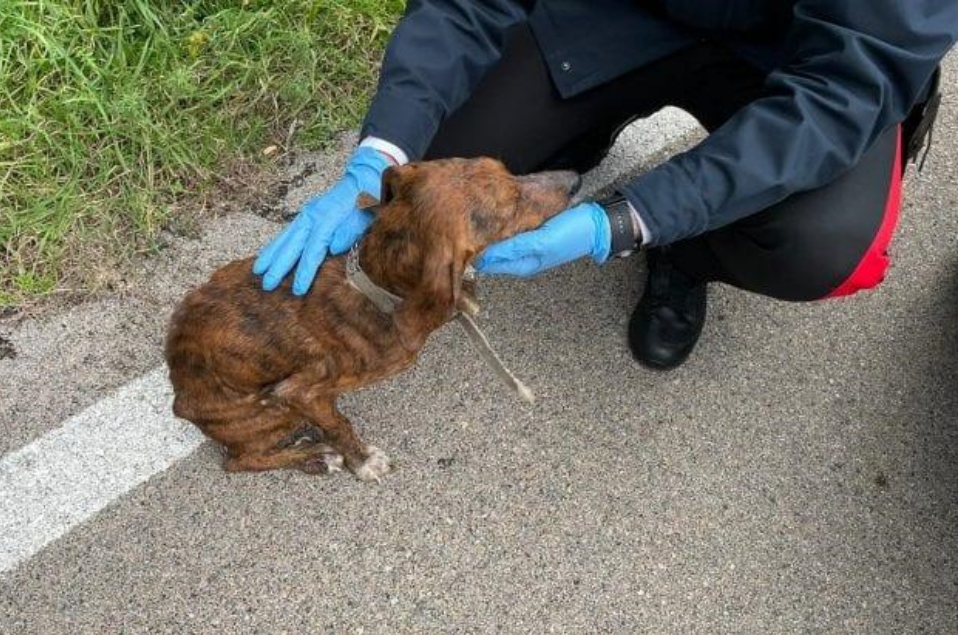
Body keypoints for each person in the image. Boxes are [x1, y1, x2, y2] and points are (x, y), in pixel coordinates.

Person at [253, 1, 957, 370]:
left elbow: (839, 94)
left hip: (795, 59)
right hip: (617, 15)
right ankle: (575, 142)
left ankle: (687, 249)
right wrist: (383, 151)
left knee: (821, 245)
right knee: (438, 167)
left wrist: (631, 219)